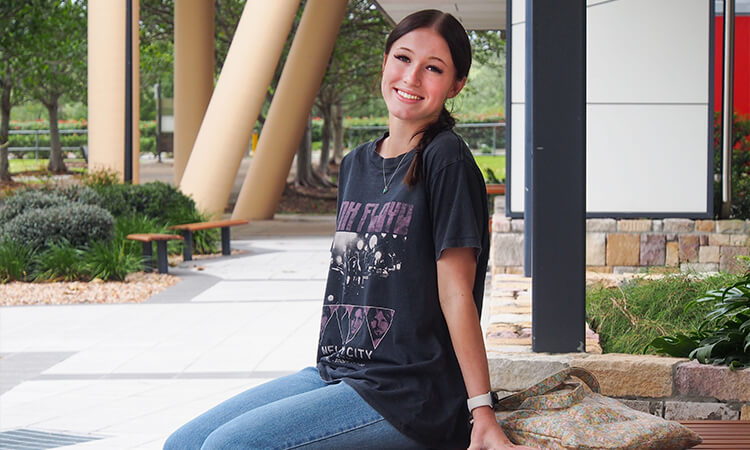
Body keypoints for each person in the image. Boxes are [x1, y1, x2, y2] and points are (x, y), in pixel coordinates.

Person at [165, 9, 534, 450]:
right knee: (183, 443)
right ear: (384, 63)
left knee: (229, 447)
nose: (412, 77)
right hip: (338, 371)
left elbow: (457, 293)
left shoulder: (447, 159)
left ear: (455, 86)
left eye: (433, 68)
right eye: (402, 58)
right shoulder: (357, 164)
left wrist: (482, 410)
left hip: (410, 391)